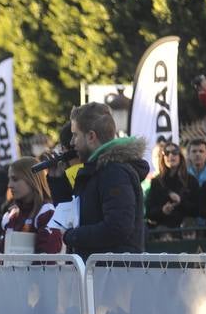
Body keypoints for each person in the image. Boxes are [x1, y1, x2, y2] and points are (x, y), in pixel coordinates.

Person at [50, 102, 148, 258]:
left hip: (112, 275)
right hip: (100, 273)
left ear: (91, 136)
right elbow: (74, 217)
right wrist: (58, 181)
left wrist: (72, 236)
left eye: (75, 135)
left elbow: (117, 227)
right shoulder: (97, 170)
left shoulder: (114, 172)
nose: (71, 142)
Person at [0, 157, 63, 254]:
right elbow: (0, 257)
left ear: (32, 180)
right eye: (9, 179)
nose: (9, 185)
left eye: (15, 179)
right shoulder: (11, 216)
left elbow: (46, 262)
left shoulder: (46, 213)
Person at [145, 142, 200, 230]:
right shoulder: (156, 182)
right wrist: (162, 210)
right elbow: (149, 213)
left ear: (180, 156)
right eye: (167, 153)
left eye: (174, 152)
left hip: (186, 231)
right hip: (163, 231)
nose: (171, 156)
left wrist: (181, 201)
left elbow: (197, 211)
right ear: (163, 157)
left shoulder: (191, 180)